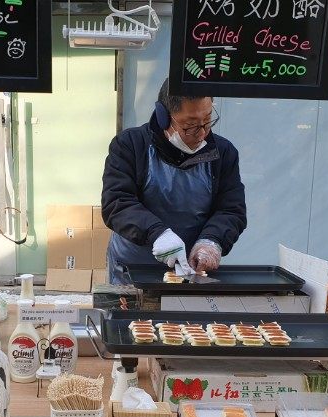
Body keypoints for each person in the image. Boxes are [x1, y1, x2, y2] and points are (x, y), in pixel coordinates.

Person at [101, 78, 247, 284]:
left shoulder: (223, 153)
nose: (202, 134)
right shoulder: (130, 145)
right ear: (163, 117)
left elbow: (231, 210)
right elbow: (116, 203)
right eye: (190, 126)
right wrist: (157, 233)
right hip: (132, 269)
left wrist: (212, 240)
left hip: (192, 272)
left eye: (207, 120)